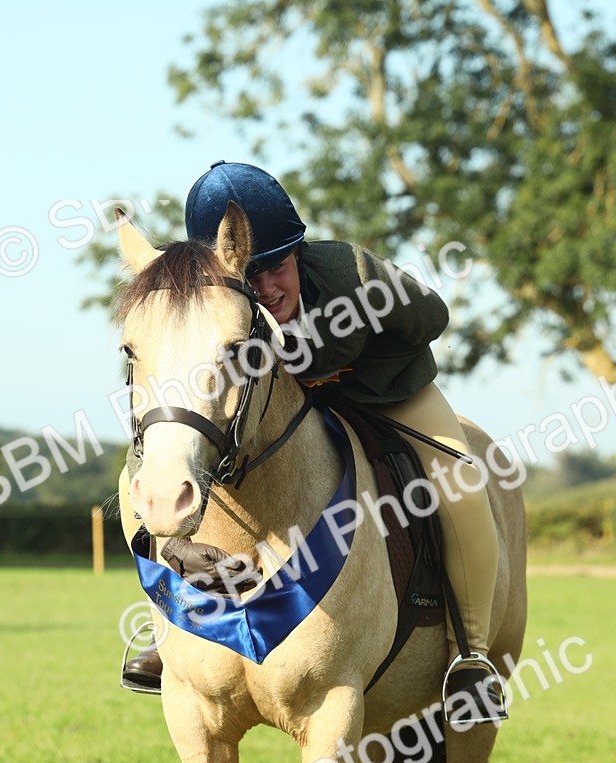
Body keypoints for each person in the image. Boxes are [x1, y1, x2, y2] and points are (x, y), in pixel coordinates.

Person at [121, 161, 506, 726]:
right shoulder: (211, 316)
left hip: (380, 389)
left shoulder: (353, 276)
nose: (266, 288)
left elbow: (431, 315)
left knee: (461, 480)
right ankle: (171, 637)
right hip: (271, 411)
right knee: (145, 462)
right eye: (246, 276)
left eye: (276, 267)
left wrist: (349, 363)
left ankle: (471, 658)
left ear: (298, 254)